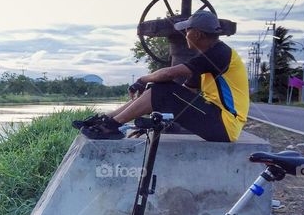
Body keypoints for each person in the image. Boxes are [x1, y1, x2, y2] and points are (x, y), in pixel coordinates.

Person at [80, 11, 249, 142]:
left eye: (187, 29)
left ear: (197, 34)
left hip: (225, 125)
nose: (184, 33)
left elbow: (170, 73)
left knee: (160, 89)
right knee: (159, 89)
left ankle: (111, 126)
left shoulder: (219, 53)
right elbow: (180, 96)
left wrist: (142, 80)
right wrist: (153, 119)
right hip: (219, 121)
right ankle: (107, 120)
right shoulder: (209, 59)